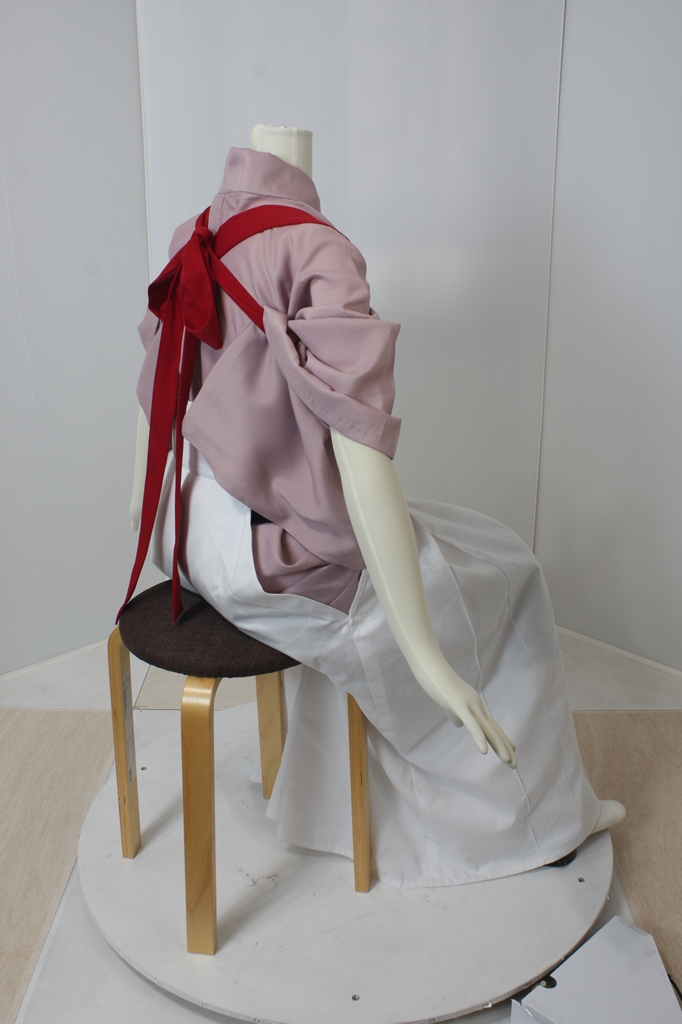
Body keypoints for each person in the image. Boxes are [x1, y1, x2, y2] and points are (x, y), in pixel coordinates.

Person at [131, 125, 624, 888]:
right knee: (508, 579)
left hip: (188, 532)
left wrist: (150, 527)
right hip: (271, 555)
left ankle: (335, 806)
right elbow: (359, 451)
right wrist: (428, 659)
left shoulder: (194, 231)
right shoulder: (315, 250)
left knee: (472, 540)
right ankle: (538, 826)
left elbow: (154, 397)